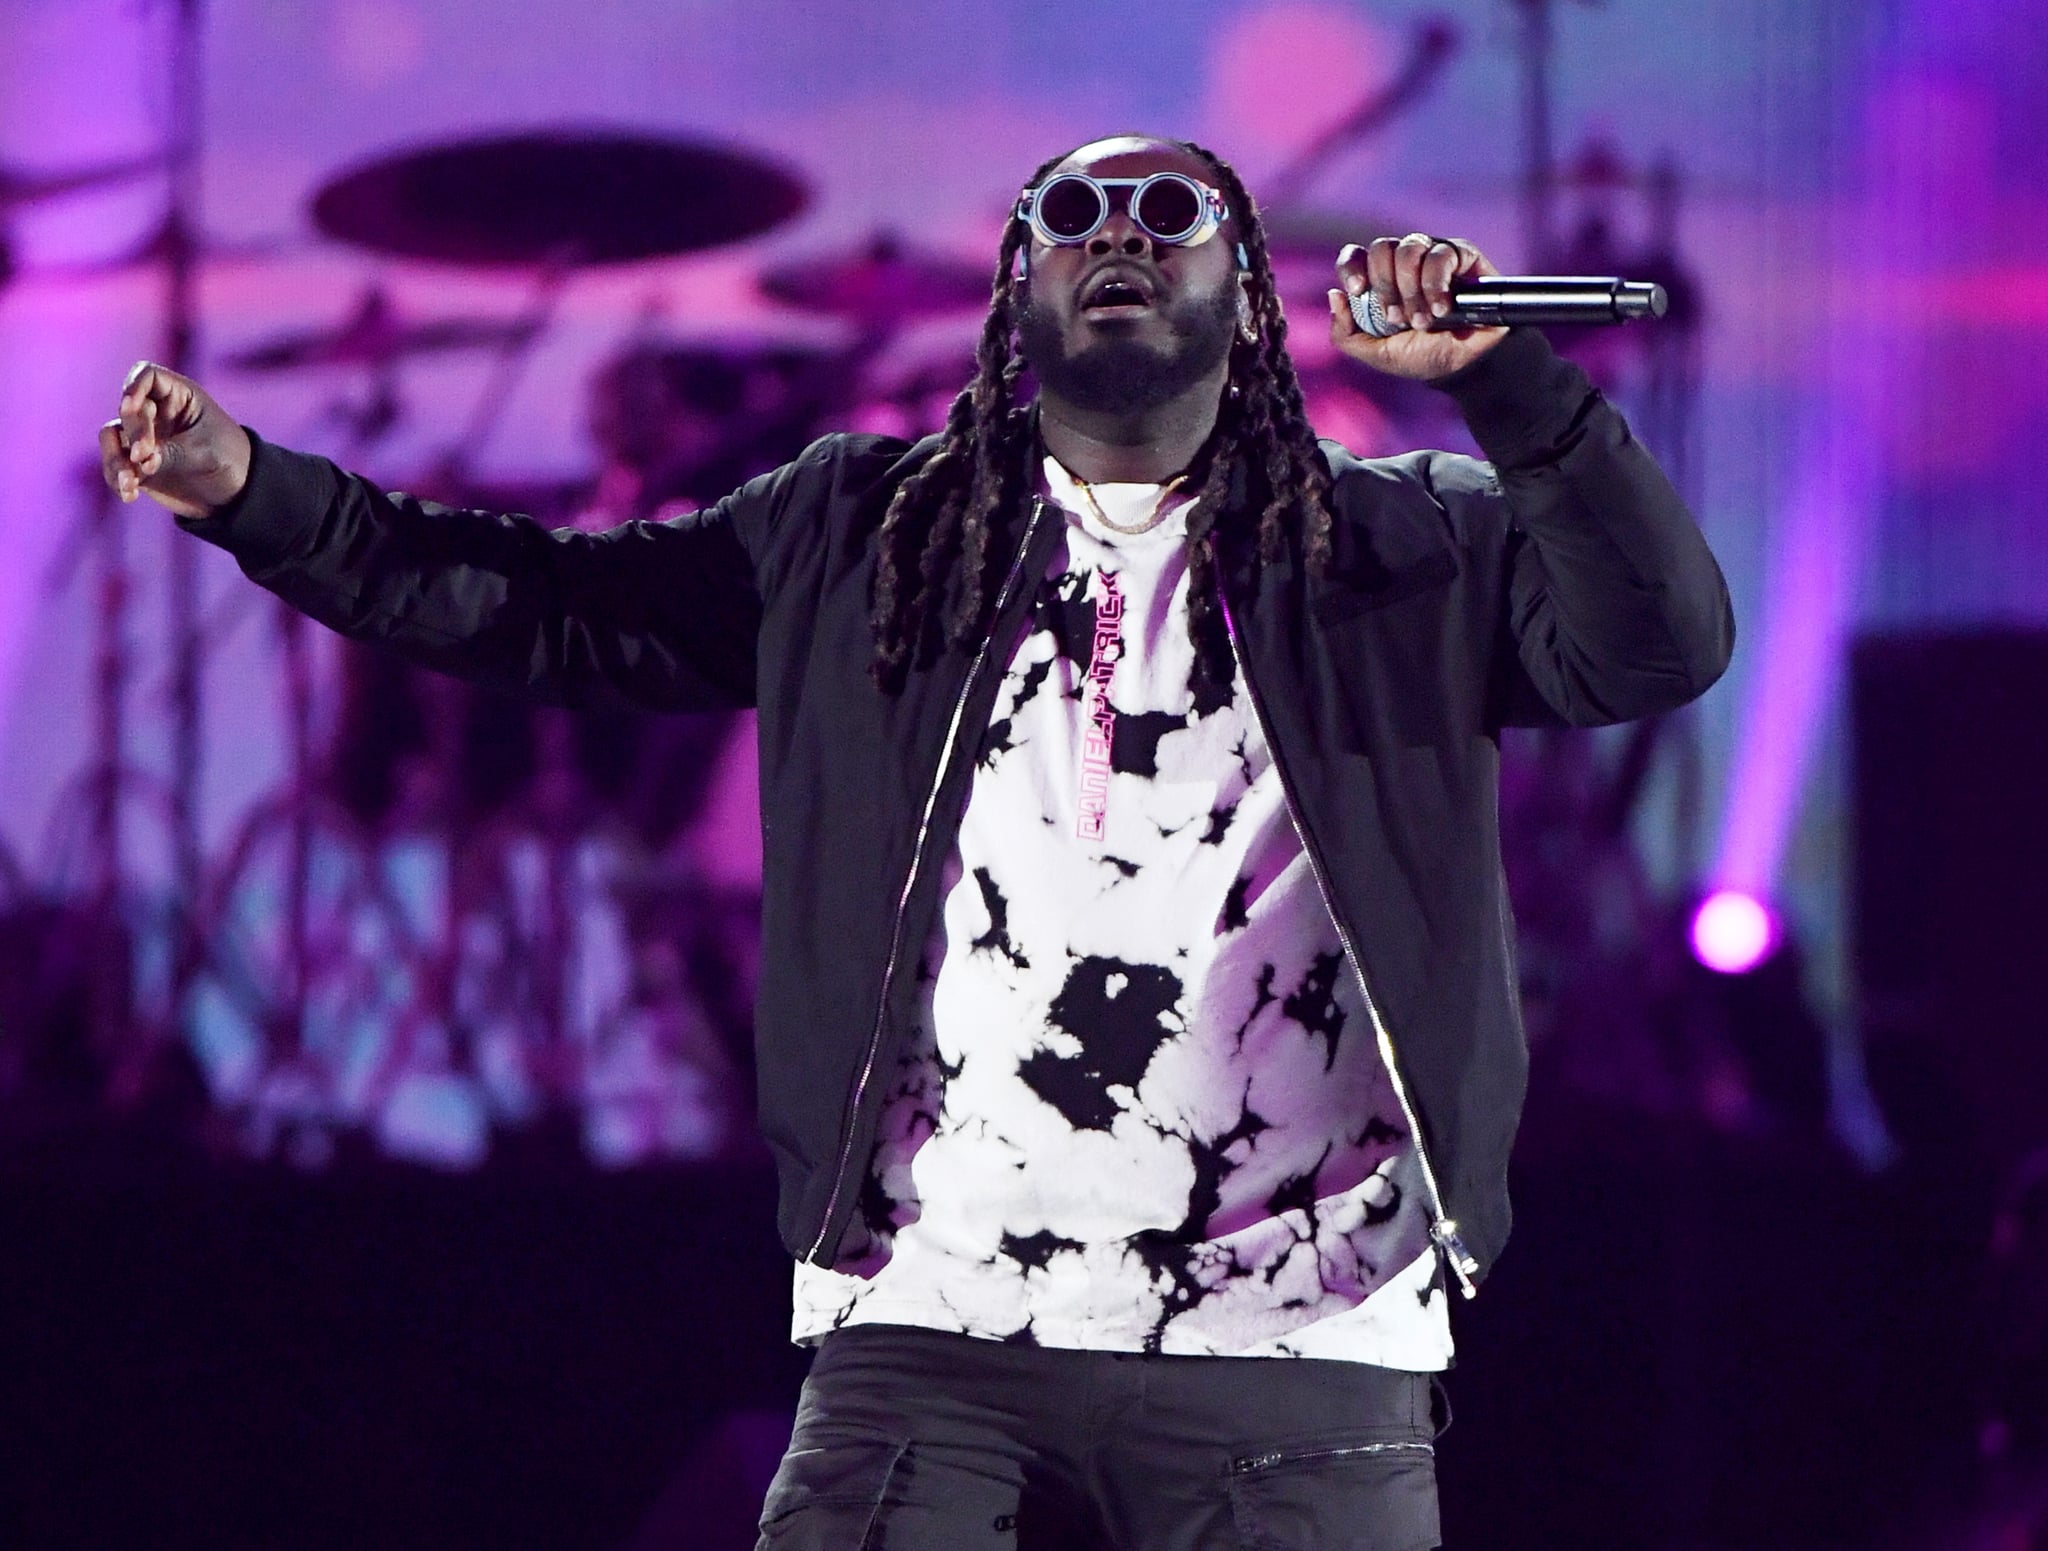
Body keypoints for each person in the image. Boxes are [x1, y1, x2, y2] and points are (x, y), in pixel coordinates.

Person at [101, 134, 1733, 1550]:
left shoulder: (1402, 542)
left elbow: (1656, 645)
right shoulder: (859, 531)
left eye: (1170, 214)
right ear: (1016, 298)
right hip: (934, 1322)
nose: (1119, 238)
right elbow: (554, 611)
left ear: (1250, 300)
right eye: (1075, 215)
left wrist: (1510, 386)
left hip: (1303, 1332)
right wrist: (261, 494)